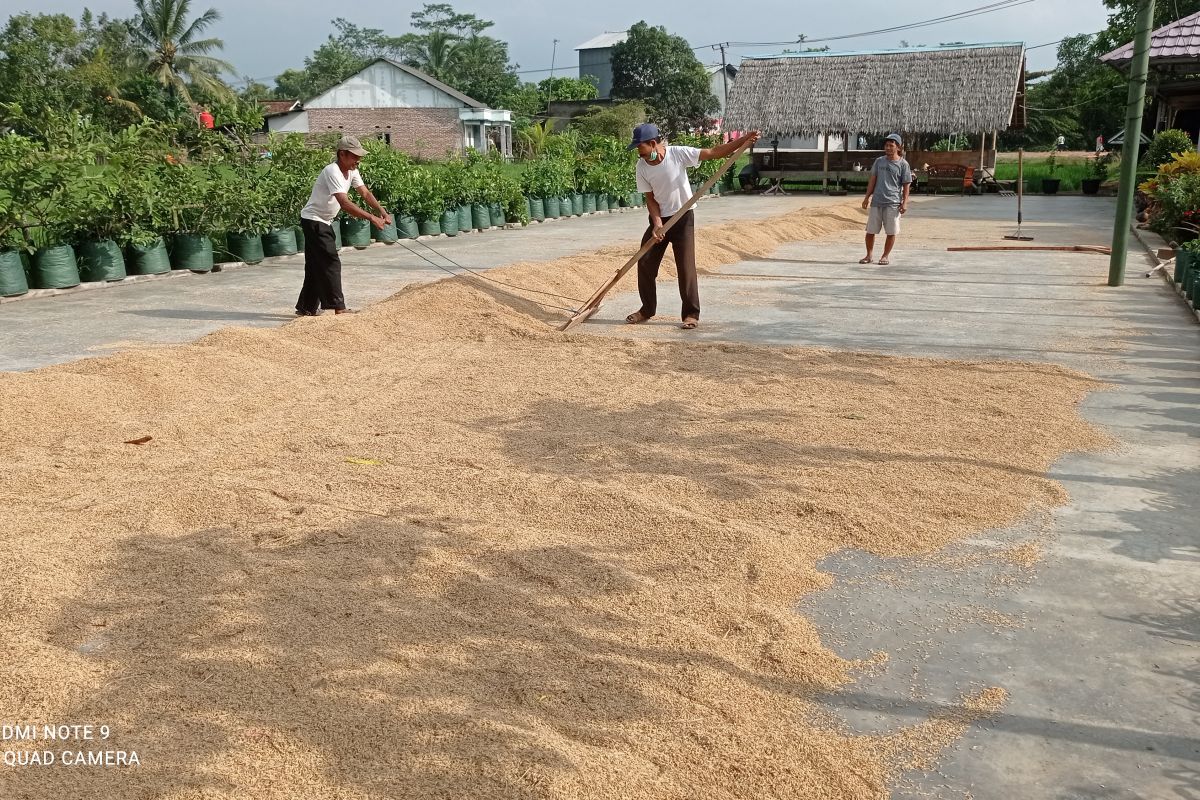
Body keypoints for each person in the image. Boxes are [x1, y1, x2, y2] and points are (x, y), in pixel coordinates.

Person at [624, 123, 760, 330]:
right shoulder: (642, 167)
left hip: (683, 217)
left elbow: (713, 153)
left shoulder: (678, 154)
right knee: (644, 261)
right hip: (661, 221)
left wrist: (743, 140)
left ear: (652, 144)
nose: (638, 153)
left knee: (685, 268)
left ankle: (690, 314)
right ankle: (647, 310)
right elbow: (650, 198)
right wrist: (657, 223)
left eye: (640, 148)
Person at [295, 135, 392, 316]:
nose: (358, 160)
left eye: (359, 156)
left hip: (322, 220)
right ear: (342, 154)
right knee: (331, 262)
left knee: (315, 265)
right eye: (355, 156)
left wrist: (382, 211)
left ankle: (306, 307)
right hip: (314, 220)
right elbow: (345, 203)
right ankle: (338, 307)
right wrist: (372, 218)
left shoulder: (352, 170)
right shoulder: (333, 171)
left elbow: (364, 192)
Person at [859, 133, 912, 266]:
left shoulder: (903, 164)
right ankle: (869, 255)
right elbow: (872, 180)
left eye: (891, 145)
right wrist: (866, 197)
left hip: (893, 203)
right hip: (877, 201)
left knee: (891, 231)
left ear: (898, 147)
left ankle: (885, 256)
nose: (888, 148)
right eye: (886, 145)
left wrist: (905, 203)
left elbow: (906, 186)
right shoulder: (879, 161)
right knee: (870, 231)